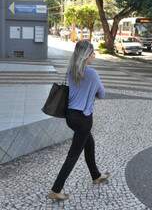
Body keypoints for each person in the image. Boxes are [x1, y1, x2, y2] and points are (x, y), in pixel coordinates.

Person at [48, 40, 109, 201]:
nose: (94, 55)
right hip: (83, 118)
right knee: (73, 155)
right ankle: (56, 189)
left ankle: (96, 175)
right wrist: (92, 90)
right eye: (93, 53)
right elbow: (102, 94)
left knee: (89, 143)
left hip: (70, 116)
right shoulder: (92, 74)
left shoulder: (71, 70)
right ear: (86, 55)